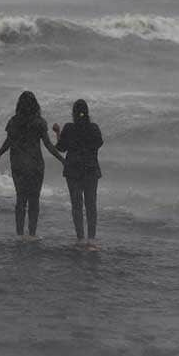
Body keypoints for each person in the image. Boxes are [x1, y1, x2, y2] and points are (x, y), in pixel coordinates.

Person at [0, 91, 65, 239]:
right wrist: (62, 159)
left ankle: (19, 234)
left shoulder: (13, 121)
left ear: (19, 105)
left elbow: (9, 141)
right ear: (35, 105)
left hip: (18, 165)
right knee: (34, 200)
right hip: (35, 165)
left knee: (20, 199)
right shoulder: (40, 122)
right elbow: (48, 145)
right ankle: (32, 234)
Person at [52, 99, 103, 248]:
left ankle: (80, 238)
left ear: (73, 113)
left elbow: (61, 148)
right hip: (90, 170)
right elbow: (98, 144)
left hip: (73, 170)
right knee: (91, 204)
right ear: (87, 112)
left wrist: (57, 132)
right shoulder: (94, 128)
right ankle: (92, 238)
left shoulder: (69, 128)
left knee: (77, 205)